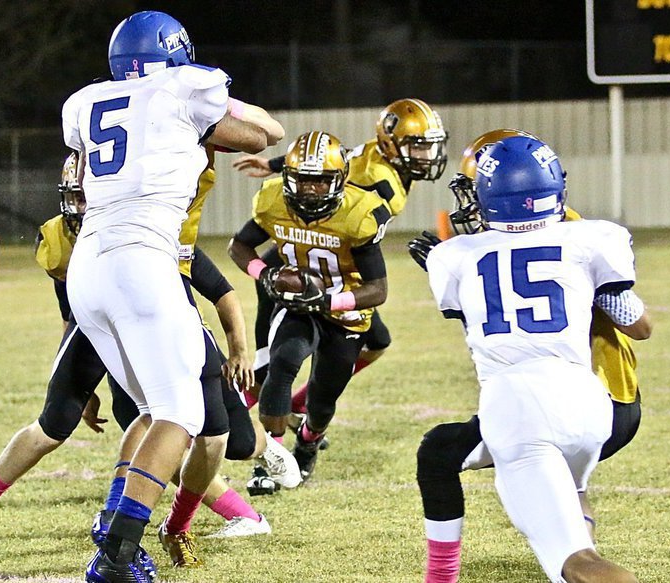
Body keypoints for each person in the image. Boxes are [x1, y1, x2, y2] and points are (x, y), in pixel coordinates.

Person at [0, 146, 293, 573]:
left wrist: (237, 348)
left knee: (215, 437)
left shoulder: (154, 225)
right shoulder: (59, 238)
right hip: (100, 328)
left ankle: (178, 525)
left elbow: (218, 289)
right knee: (55, 424)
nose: (85, 207)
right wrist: (80, 383)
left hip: (167, 326)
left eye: (92, 194)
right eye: (78, 196)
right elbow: (73, 311)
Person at [62, 10, 281, 582]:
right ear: (176, 55)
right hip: (142, 260)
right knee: (181, 413)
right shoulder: (184, 89)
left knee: (156, 410)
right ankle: (114, 557)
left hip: (88, 265)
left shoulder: (85, 102)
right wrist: (224, 104)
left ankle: (115, 527)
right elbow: (265, 134)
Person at [417, 135, 651, 583]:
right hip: (587, 399)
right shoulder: (589, 236)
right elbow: (630, 314)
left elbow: (482, 325)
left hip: (520, 407)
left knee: (577, 563)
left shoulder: (454, 256)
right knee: (572, 505)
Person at [233, 98, 447, 429]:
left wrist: (275, 165)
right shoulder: (380, 182)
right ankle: (254, 398)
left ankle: (294, 402)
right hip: (310, 247)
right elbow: (327, 198)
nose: (425, 156)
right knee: (276, 339)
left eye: (427, 147)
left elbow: (335, 155)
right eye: (417, 146)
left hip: (333, 255)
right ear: (392, 141)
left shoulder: (378, 153)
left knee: (377, 342)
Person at [228, 130, 391, 479]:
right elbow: (238, 247)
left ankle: (307, 442)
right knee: (281, 365)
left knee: (322, 400)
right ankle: (270, 461)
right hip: (298, 306)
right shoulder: (273, 200)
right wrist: (265, 274)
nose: (309, 189)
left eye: (319, 181)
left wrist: (329, 299)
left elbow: (377, 290)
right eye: (301, 180)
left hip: (346, 314)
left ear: (340, 180)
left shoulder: (358, 213)